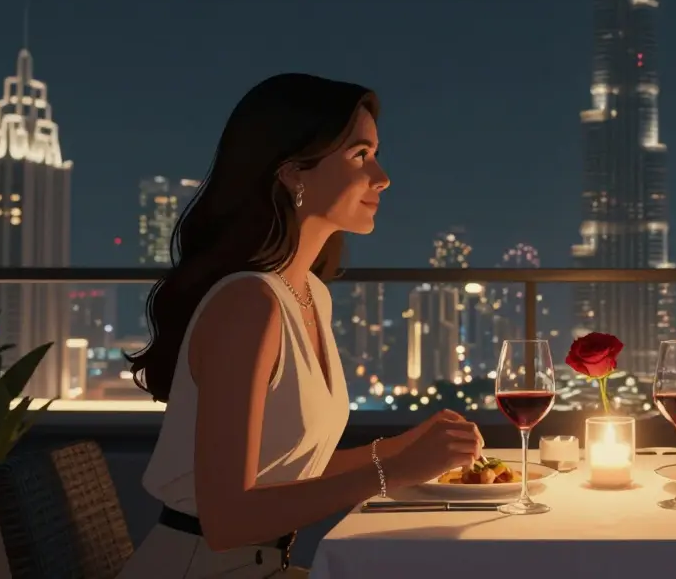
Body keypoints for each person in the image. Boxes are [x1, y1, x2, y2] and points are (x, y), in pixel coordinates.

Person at [121, 74, 483, 577]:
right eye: (360, 155)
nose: (382, 176)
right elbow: (226, 519)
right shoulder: (249, 305)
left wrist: (407, 447)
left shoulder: (309, 294)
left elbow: (285, 474)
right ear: (294, 173)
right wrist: (392, 471)